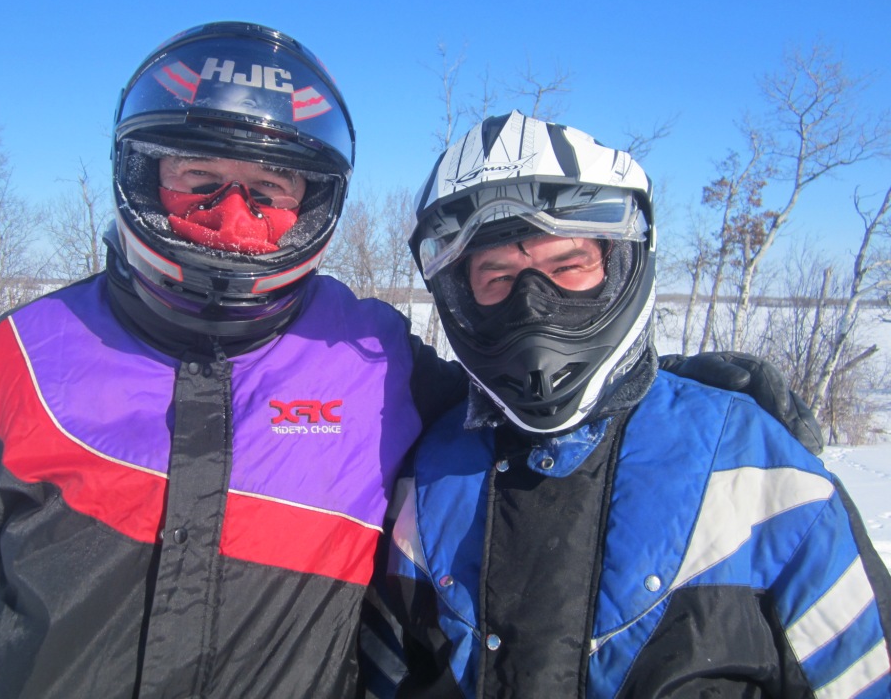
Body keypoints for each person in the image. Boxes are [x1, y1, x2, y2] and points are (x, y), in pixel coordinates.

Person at [0, 22, 823, 698]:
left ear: (313, 205)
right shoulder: (19, 362)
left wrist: (666, 394)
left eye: (268, 193)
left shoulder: (372, 360)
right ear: (144, 176)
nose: (233, 223)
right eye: (200, 184)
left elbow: (521, 394)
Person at [362, 111, 891, 697]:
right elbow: (387, 676)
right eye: (498, 277)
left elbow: (863, 675)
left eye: (568, 266)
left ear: (620, 267)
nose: (533, 305)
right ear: (461, 295)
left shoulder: (756, 464)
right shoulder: (428, 475)